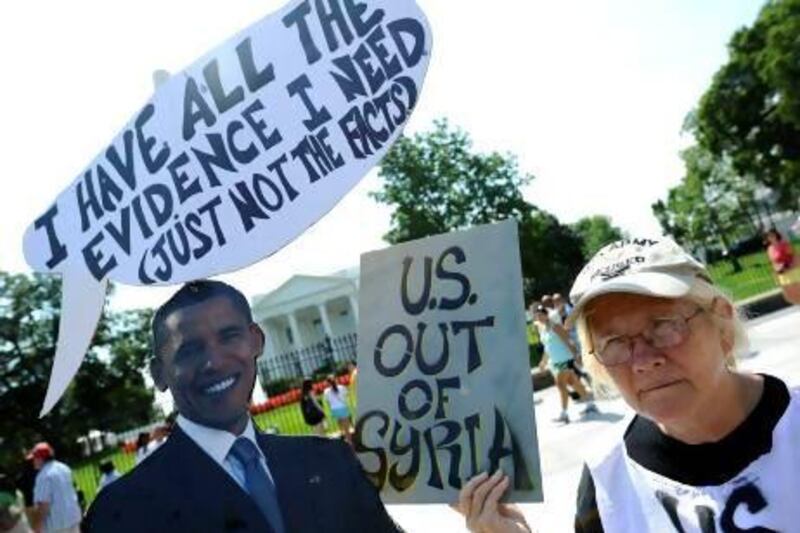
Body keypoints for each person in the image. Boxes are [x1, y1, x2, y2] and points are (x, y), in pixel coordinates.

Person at [454, 237, 800, 532]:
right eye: (614, 342)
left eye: (664, 325)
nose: (643, 359)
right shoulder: (607, 482)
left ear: (722, 320)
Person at [83, 280, 400, 532]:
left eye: (229, 336)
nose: (214, 362)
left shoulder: (330, 462)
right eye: (189, 350)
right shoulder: (121, 513)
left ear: (256, 341)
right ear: (158, 374)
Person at [534, 306, 597, 423]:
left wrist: (576, 356)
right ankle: (590, 404)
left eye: (540, 314)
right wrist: (543, 362)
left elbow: (568, 341)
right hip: (556, 362)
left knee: (561, 385)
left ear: (546, 314)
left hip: (564, 360)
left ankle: (564, 414)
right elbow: (547, 348)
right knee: (573, 383)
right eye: (537, 315)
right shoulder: (543, 330)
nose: (538, 317)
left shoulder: (555, 326)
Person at [28, 443, 81, 533]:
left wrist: (36, 529)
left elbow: (43, 506)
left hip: (56, 527)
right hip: (73, 519)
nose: (33, 461)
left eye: (35, 458)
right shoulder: (64, 467)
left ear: (41, 458)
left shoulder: (43, 476)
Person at [764, 228, 800, 304]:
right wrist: (776, 275)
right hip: (782, 274)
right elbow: (773, 263)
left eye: (772, 235)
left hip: (792, 271)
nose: (770, 237)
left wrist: (788, 266)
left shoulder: (784, 244)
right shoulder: (770, 249)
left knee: (797, 291)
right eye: (768, 236)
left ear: (776, 235)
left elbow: (794, 256)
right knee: (790, 295)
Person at [323, 375, 354, 444]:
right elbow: (347, 395)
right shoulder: (341, 387)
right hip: (342, 408)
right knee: (347, 429)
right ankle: (350, 442)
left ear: (328, 383)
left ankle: (344, 440)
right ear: (335, 380)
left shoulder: (326, 391)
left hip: (334, 410)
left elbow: (328, 402)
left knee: (341, 426)